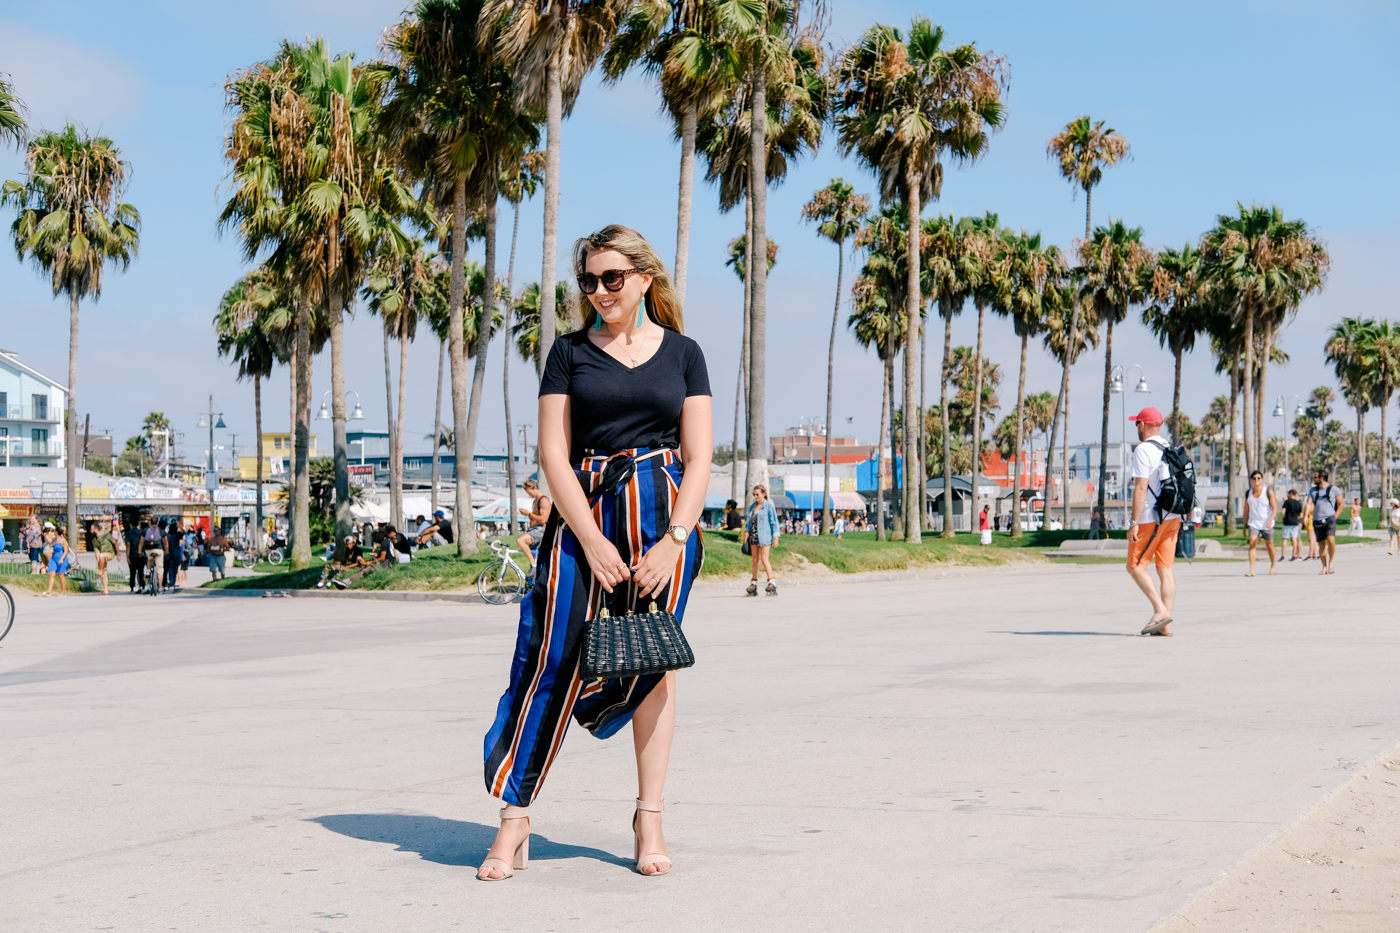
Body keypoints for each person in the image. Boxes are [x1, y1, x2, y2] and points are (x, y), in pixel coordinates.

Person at [479, 225, 710, 882]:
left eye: (613, 277)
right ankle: (515, 817)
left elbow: (699, 458)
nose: (600, 291)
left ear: (645, 278)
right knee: (551, 655)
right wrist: (591, 538)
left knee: (652, 660)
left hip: (664, 520)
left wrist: (673, 541)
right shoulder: (569, 353)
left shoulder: (685, 353)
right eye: (589, 280)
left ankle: (649, 815)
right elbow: (554, 453)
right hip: (586, 517)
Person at [1124, 407, 1181, 636]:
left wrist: (1133, 522)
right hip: (1173, 516)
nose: (1136, 427)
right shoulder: (1170, 448)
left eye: (1136, 423)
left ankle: (1160, 612)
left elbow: (1140, 488)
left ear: (1142, 425)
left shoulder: (1143, 450)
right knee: (1165, 569)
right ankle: (1165, 627)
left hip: (1150, 518)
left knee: (1135, 566)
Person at [746, 484, 780, 596]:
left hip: (765, 537)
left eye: (758, 494)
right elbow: (749, 522)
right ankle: (753, 583)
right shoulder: (752, 507)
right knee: (755, 561)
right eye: (754, 495)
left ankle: (772, 582)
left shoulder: (769, 506)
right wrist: (746, 532)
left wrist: (775, 537)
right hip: (754, 537)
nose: (756, 497)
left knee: (765, 559)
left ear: (764, 494)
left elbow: (774, 522)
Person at [1243, 470, 1278, 577]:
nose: (1256, 480)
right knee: (1252, 543)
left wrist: (1271, 519)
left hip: (1266, 522)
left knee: (1269, 545)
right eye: (1254, 478)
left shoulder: (1268, 492)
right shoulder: (1248, 493)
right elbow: (1246, 511)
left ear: (1261, 479)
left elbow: (1275, 507)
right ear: (1251, 480)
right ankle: (1252, 569)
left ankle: (1273, 566)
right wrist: (1244, 527)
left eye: (1258, 478)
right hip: (1254, 522)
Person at [1307, 470, 1341, 575]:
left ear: (1321, 478)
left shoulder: (1334, 489)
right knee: (1321, 544)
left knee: (1331, 540)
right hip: (1317, 520)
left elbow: (1341, 504)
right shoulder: (1313, 491)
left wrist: (1335, 516)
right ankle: (1324, 567)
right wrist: (1305, 515)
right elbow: (1309, 503)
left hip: (1330, 519)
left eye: (1316, 477)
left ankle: (1331, 563)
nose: (1314, 479)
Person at [515, 478, 552, 572]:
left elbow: (544, 519)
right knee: (533, 555)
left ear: (535, 488)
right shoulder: (535, 501)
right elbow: (534, 518)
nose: (529, 495)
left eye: (530, 493)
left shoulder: (543, 500)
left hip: (541, 529)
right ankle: (534, 569)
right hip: (534, 529)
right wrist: (527, 515)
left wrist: (529, 514)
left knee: (521, 541)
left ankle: (533, 565)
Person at [42, 524, 71, 597]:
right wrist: (45, 534)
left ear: (57, 532)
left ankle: (63, 591)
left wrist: (61, 559)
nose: (53, 532)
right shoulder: (54, 539)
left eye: (54, 531)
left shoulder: (63, 540)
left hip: (61, 558)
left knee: (61, 575)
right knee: (51, 573)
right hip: (54, 558)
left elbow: (66, 550)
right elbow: (50, 541)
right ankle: (49, 591)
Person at [92, 520, 119, 595]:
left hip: (110, 553)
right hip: (102, 557)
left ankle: (100, 571)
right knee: (105, 572)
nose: (91, 531)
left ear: (96, 529)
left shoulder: (106, 535)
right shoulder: (94, 540)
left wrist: (118, 554)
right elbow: (96, 551)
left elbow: (115, 543)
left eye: (92, 529)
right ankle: (106, 590)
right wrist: (99, 561)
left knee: (102, 555)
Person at [141, 520, 166, 594]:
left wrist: (140, 550)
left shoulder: (145, 530)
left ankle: (148, 570)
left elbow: (141, 541)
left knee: (149, 558)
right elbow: (166, 542)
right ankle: (160, 586)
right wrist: (166, 551)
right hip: (159, 550)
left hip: (149, 549)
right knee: (160, 568)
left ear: (150, 523)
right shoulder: (161, 531)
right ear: (157, 523)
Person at [1279, 489, 1303, 561]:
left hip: (1287, 522)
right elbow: (1301, 515)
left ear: (1291, 494)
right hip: (1295, 522)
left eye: (1289, 494)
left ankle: (1283, 555)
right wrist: (1295, 517)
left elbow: (1283, 511)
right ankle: (1293, 555)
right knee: (1294, 538)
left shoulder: (1287, 502)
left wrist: (1283, 518)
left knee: (1285, 539)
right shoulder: (1298, 503)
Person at [1302, 493, 1318, 560]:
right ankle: (1315, 553)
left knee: (1311, 539)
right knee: (1314, 540)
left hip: (1310, 522)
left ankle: (1310, 554)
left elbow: (1306, 512)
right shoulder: (1316, 505)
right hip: (1314, 521)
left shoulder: (1309, 506)